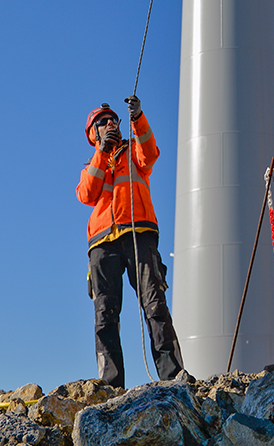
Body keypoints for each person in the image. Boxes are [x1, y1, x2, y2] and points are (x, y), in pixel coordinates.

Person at [76, 98, 184, 389]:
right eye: (103, 121)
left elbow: (150, 152)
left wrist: (138, 119)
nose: (111, 123)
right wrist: (102, 152)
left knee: (154, 305)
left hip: (139, 233)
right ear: (92, 133)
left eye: (114, 120)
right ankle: (111, 385)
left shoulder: (133, 151)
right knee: (105, 315)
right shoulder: (91, 166)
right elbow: (87, 194)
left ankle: (173, 377)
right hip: (102, 243)